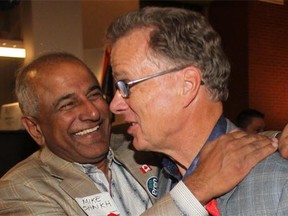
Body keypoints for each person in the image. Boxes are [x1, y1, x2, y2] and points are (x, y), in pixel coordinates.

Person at [0, 52, 280, 216]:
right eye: (68, 104)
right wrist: (195, 189)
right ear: (35, 128)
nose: (93, 112)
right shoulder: (19, 190)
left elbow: (204, 136)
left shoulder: (135, 143)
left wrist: (278, 137)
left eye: (94, 94)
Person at [107, 7, 288, 215]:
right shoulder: (156, 173)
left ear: (187, 85)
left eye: (126, 85)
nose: (114, 105)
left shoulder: (278, 183)